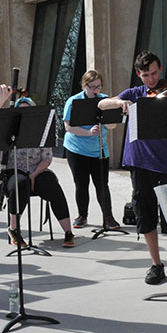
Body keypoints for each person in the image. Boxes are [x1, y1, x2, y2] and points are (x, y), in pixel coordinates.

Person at [98, 51, 167, 290]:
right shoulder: (135, 94)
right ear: (139, 74)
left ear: (161, 70)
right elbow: (101, 103)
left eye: (155, 73)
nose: (151, 79)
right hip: (140, 162)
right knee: (145, 213)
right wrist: (119, 103)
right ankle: (156, 264)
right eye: (146, 75)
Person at [0, 95, 75, 248]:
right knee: (20, 183)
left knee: (52, 185)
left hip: (37, 169)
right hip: (13, 170)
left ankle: (68, 231)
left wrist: (34, 174)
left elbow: (47, 158)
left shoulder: (41, 130)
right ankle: (13, 229)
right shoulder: (8, 131)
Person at [62, 70, 119, 230]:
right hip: (77, 149)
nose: (96, 90)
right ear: (84, 85)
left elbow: (113, 125)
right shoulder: (74, 101)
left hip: (99, 150)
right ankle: (82, 216)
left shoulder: (104, 100)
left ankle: (108, 218)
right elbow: (68, 126)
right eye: (93, 87)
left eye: (99, 87)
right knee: (81, 184)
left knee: (102, 184)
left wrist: (106, 122)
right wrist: (88, 132)